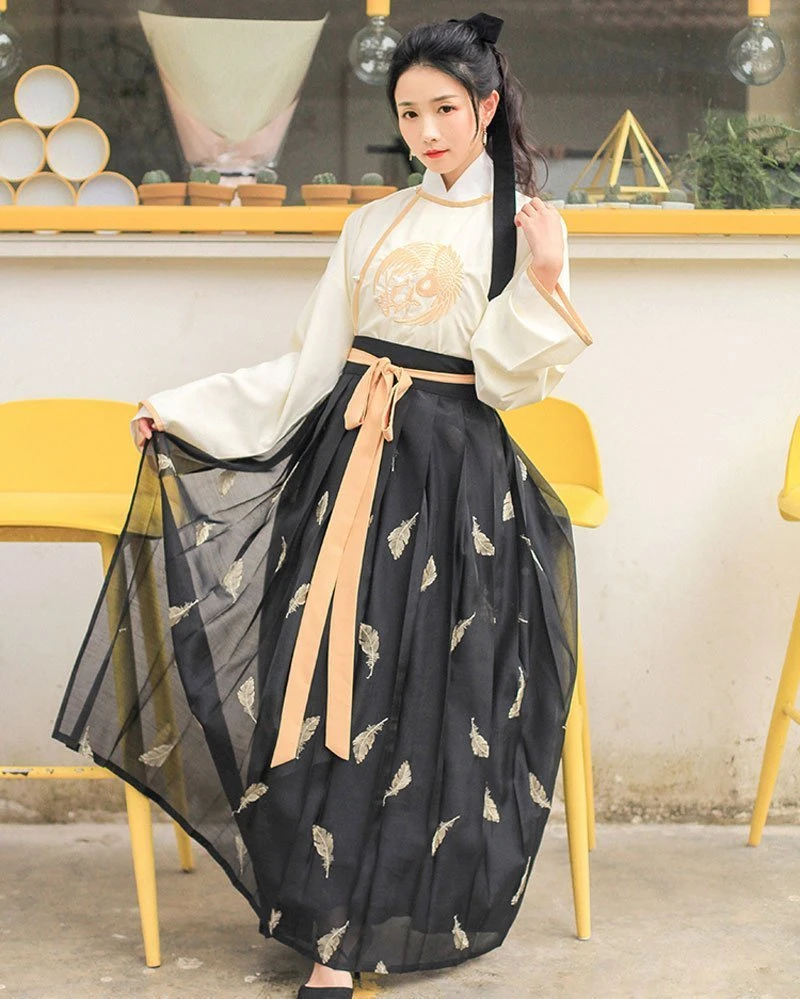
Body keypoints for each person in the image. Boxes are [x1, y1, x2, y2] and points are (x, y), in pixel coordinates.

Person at [53, 12, 592, 998]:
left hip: (453, 484)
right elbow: (308, 369)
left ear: (486, 106)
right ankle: (325, 918)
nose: (426, 131)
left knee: (424, 693)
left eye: (443, 109)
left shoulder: (523, 227)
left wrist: (547, 281)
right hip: (348, 468)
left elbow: (510, 384)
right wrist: (181, 409)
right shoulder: (370, 224)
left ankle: (384, 913)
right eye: (408, 113)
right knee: (327, 682)